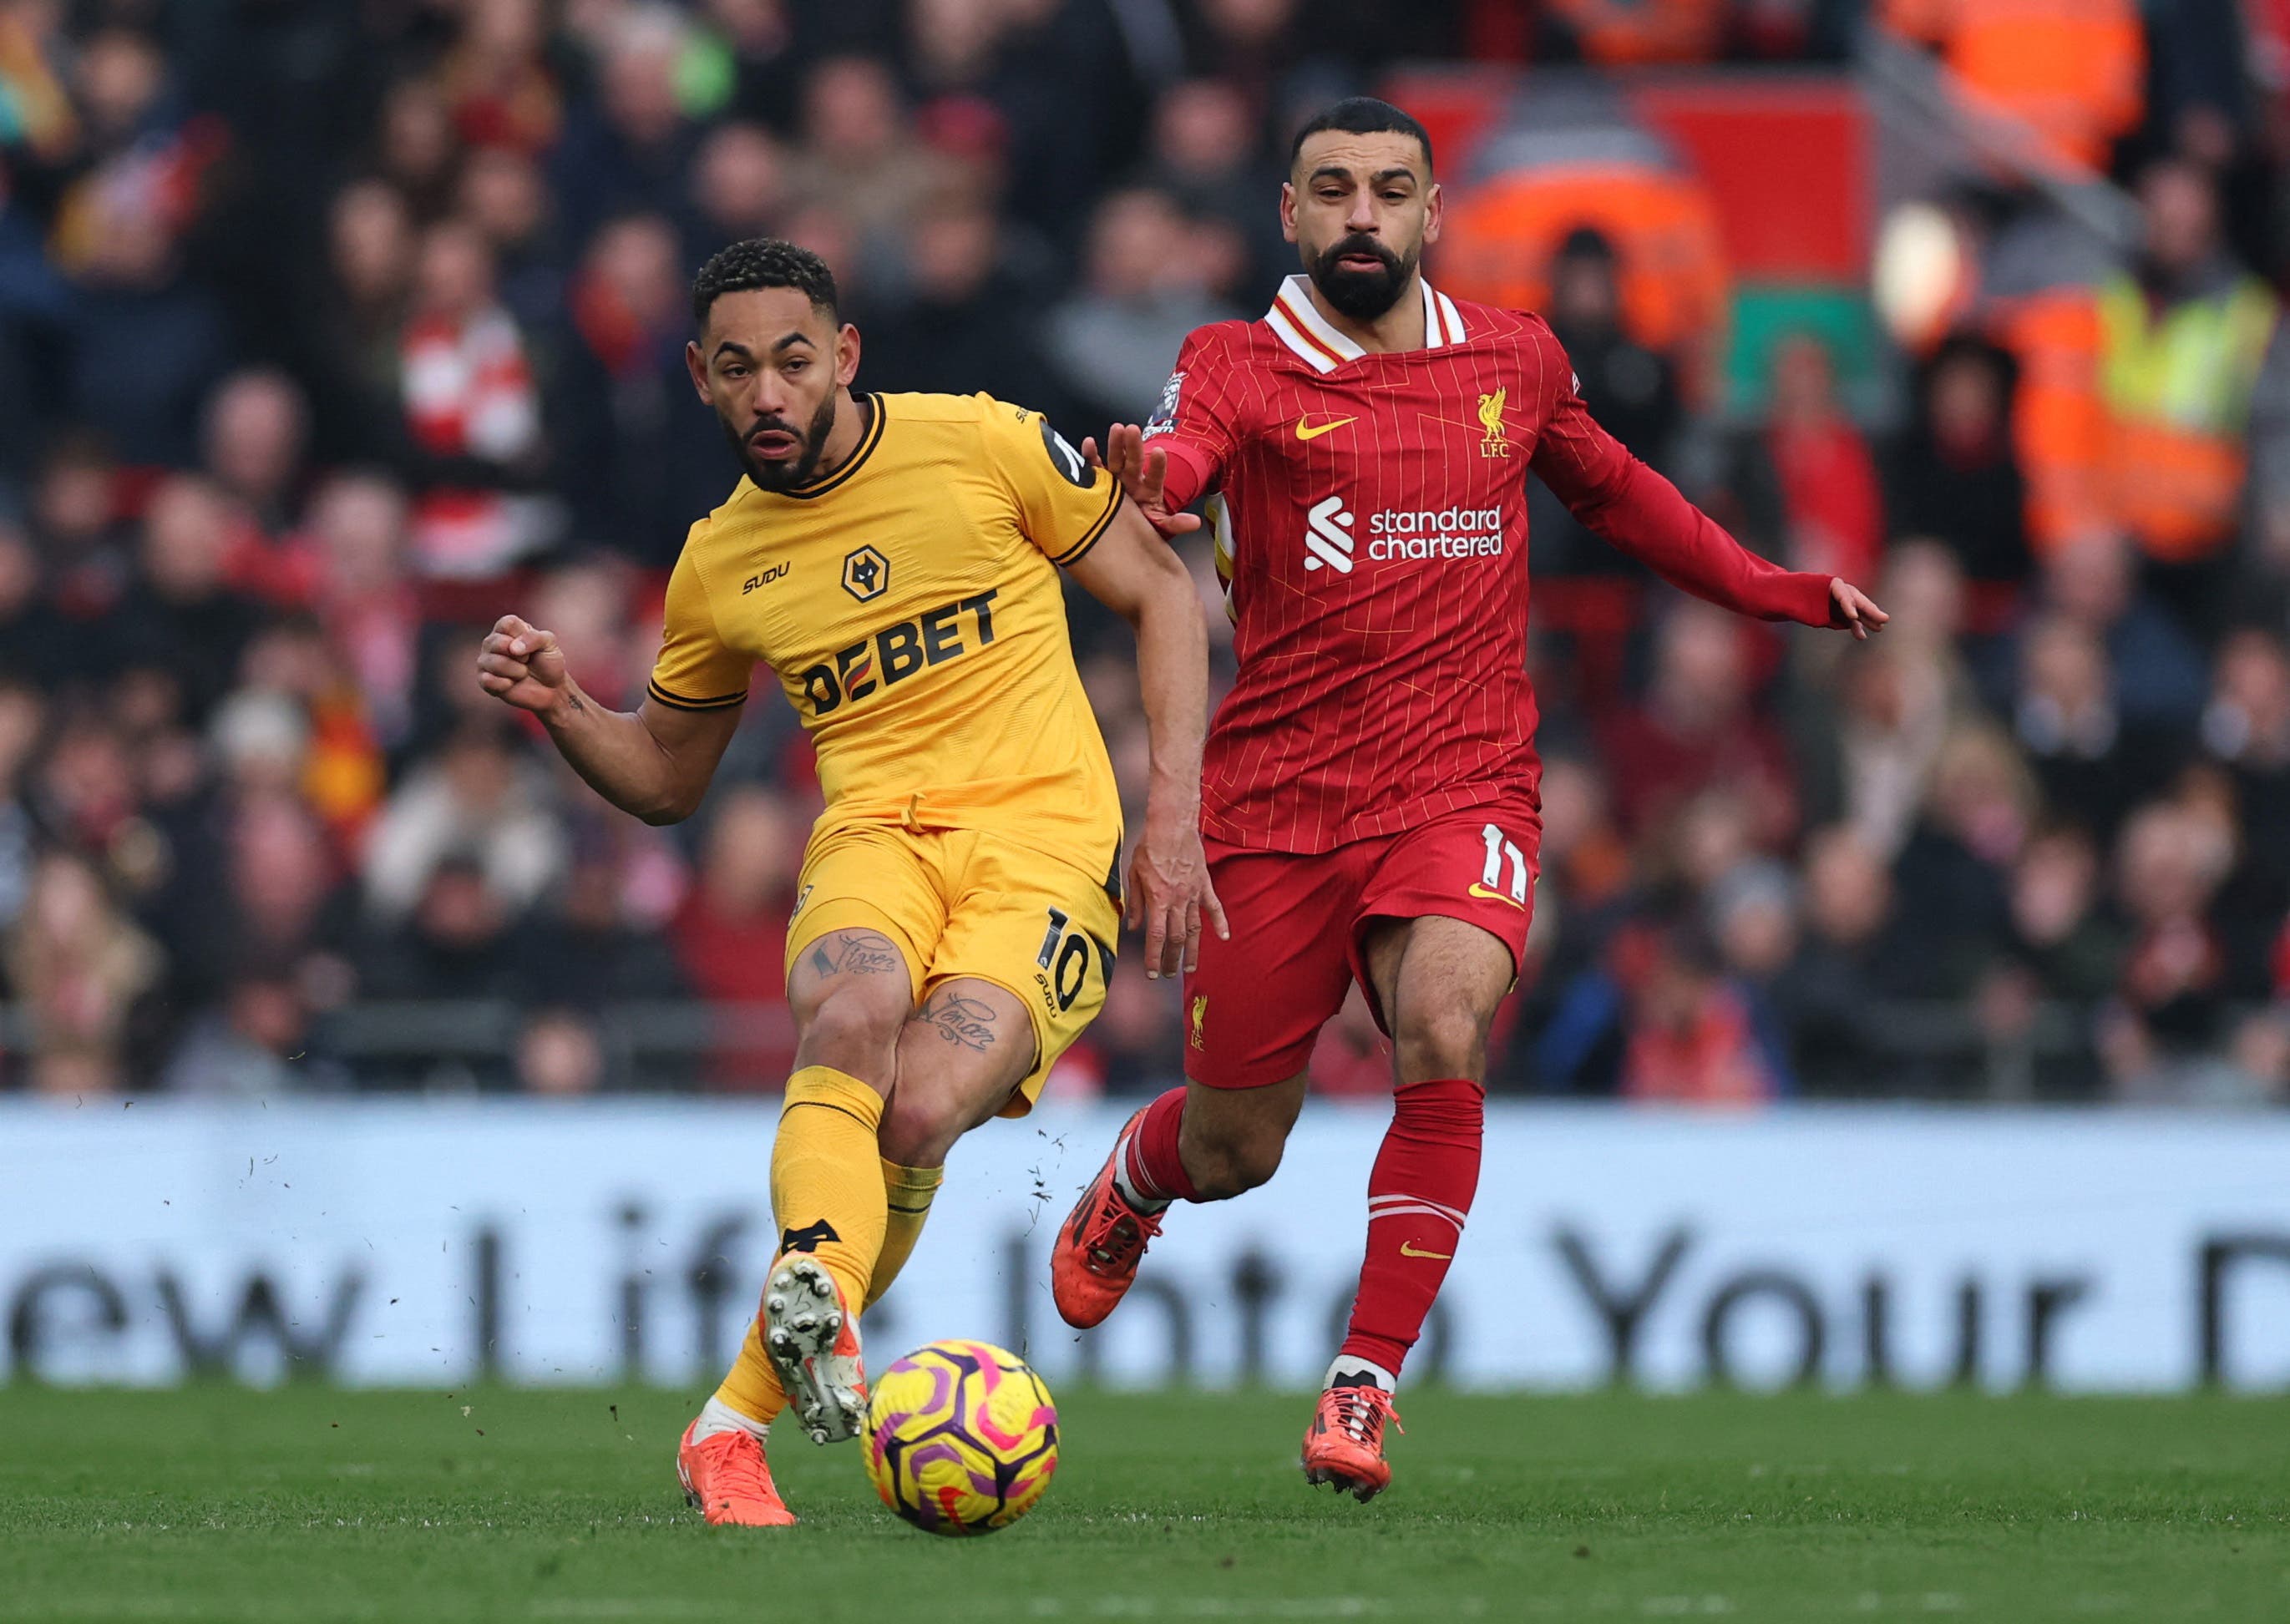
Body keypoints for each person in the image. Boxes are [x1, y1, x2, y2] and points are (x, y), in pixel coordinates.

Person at [1048, 98, 1886, 1502]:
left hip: (1461, 778)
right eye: (1331, 189)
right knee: (1237, 1144)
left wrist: (1769, 588)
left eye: (1389, 189)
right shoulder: (1232, 361)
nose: (1360, 214)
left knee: (1444, 1019)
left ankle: (1363, 1382)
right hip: (1278, 801)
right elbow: (1180, 462)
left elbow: (1620, 496)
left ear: (1433, 214)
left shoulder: (1514, 358)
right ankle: (1141, 1173)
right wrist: (1157, 486)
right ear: (1289, 214)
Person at [474, 239, 1217, 1525]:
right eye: (737, 369)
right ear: (700, 378)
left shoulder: (981, 443)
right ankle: (810, 1288)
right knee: (852, 1012)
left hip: (1043, 849)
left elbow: (1159, 589)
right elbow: (667, 777)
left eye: (793, 361)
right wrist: (565, 707)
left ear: (845, 356)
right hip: (874, 836)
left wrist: (1174, 817)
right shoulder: (719, 561)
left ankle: (730, 1421)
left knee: (917, 1115)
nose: (768, 392)